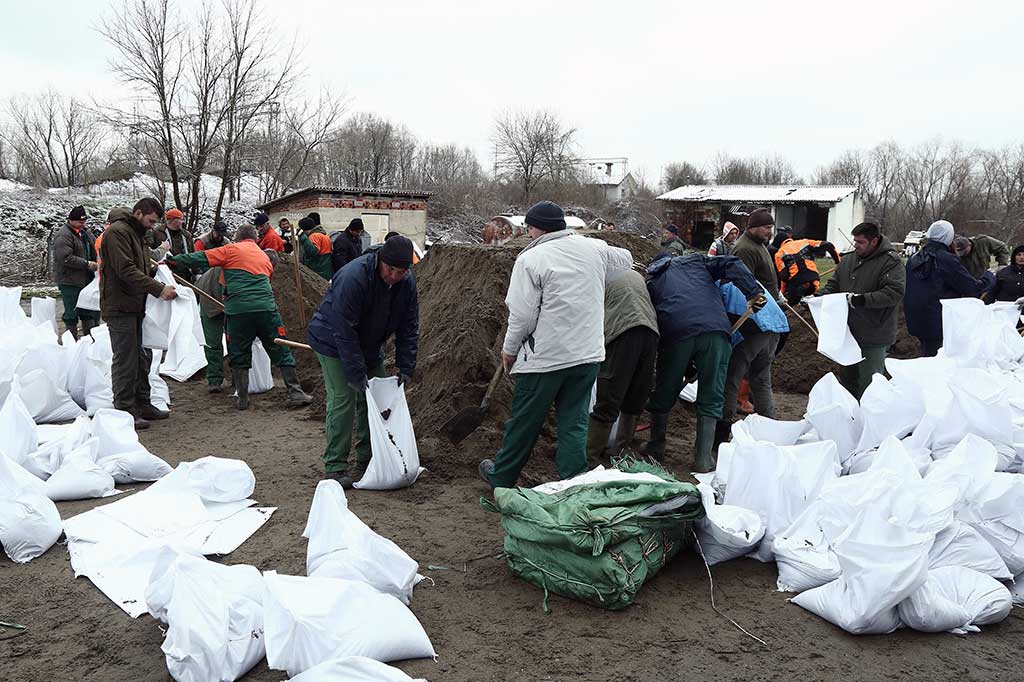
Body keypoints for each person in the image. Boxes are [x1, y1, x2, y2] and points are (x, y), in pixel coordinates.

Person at [478, 201, 633, 490]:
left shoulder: (531, 259)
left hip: (545, 359)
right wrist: (591, 258)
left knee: (525, 422)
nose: (528, 234)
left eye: (530, 228)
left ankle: (502, 477)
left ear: (538, 228)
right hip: (587, 356)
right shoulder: (594, 249)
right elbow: (625, 260)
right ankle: (573, 485)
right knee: (574, 424)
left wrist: (510, 349)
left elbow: (523, 315)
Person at [307, 235, 419, 488]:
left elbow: (409, 326)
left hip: (369, 343)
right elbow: (344, 331)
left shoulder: (406, 283)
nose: (394, 276)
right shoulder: (353, 277)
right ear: (381, 260)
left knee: (375, 399)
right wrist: (356, 373)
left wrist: (406, 365)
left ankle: (367, 458)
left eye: (401, 271)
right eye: (390, 269)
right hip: (332, 340)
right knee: (344, 397)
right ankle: (335, 465)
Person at [166, 224, 312, 409]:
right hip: (266, 309)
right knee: (279, 347)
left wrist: (173, 261)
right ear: (255, 239)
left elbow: (201, 257)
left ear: (237, 238)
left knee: (239, 351)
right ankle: (295, 392)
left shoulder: (230, 249)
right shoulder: (263, 256)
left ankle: (242, 397)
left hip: (239, 311)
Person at [643, 252, 765, 472]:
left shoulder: (652, 281)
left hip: (676, 333)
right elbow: (731, 262)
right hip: (715, 331)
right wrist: (753, 292)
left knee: (665, 389)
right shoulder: (696, 262)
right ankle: (703, 459)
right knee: (712, 394)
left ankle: (656, 446)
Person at [99, 198, 177, 429]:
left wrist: (156, 271)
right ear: (138, 213)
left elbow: (140, 267)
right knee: (126, 358)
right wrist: (158, 289)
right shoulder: (117, 233)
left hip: (135, 304)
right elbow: (125, 270)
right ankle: (124, 409)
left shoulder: (137, 233)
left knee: (141, 357)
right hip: (120, 305)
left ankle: (143, 403)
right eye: (150, 221)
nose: (152, 226)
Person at [818, 222, 906, 398]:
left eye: (860, 242)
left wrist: (862, 300)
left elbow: (894, 293)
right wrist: (818, 297)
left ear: (874, 241)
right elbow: (834, 285)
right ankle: (850, 413)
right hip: (848, 333)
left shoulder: (891, 262)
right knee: (847, 383)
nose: (856, 245)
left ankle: (869, 415)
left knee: (870, 386)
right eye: (855, 241)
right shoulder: (848, 260)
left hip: (874, 333)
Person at [586, 268, 659, 464]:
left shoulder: (597, 276)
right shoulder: (634, 275)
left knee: (609, 392)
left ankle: (590, 456)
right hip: (651, 332)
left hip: (623, 332)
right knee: (636, 393)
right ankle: (619, 451)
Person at [904, 220, 994, 357]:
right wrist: (989, 277)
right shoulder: (946, 259)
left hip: (916, 317)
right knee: (938, 357)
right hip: (939, 320)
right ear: (948, 238)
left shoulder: (914, 258)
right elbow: (971, 288)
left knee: (928, 353)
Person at [716, 278, 789, 445]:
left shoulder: (720, 284)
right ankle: (769, 430)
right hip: (776, 328)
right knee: (761, 380)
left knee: (730, 380)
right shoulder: (747, 278)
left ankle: (721, 434)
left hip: (751, 328)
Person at [731, 208, 782, 417]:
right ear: (752, 227)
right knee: (733, 376)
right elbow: (741, 287)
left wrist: (777, 295)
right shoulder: (744, 249)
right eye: (766, 227)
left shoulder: (760, 246)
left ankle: (768, 423)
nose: (770, 232)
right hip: (753, 322)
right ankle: (723, 426)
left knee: (760, 378)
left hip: (768, 320)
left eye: (771, 227)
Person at [51, 205, 101, 340]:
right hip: (69, 281)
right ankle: (71, 342)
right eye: (79, 222)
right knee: (71, 313)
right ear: (71, 220)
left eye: (84, 221)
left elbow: (96, 246)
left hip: (85, 280)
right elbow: (65, 258)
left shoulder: (85, 232)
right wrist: (86, 264)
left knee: (88, 311)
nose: (82, 224)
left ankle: (90, 341)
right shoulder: (63, 235)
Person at [773, 232, 841, 305]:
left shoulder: (779, 254)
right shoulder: (805, 242)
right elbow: (828, 245)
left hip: (797, 283)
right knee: (813, 305)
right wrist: (838, 263)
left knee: (790, 307)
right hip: (813, 281)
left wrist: (782, 292)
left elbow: (784, 276)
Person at [193, 265, 228, 393]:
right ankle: (214, 380)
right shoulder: (215, 274)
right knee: (212, 343)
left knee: (235, 340)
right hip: (209, 302)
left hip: (231, 303)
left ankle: (238, 377)